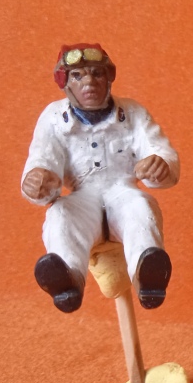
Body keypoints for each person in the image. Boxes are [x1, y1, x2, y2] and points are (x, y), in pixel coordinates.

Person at [21, 44, 178, 313]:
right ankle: (68, 279)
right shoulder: (53, 119)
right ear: (64, 82)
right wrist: (38, 181)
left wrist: (159, 166)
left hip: (123, 191)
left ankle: (146, 274)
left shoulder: (132, 113)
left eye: (96, 73)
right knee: (61, 214)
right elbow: (42, 158)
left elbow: (160, 150)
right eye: (77, 76)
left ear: (108, 77)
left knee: (141, 208)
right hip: (83, 197)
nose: (89, 82)